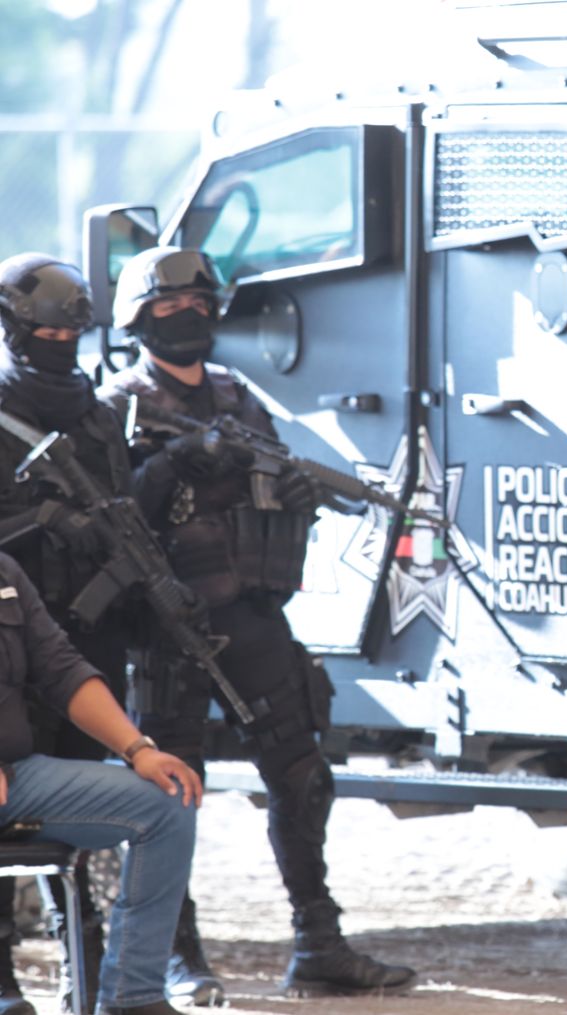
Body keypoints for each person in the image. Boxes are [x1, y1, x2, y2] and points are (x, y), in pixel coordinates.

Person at [98, 247, 414, 1003]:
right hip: (167, 625)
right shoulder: (117, 405)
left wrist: (295, 489)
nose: (187, 319)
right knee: (168, 792)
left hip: (253, 618)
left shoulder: (240, 399)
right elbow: (109, 515)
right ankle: (177, 957)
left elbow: (263, 485)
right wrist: (175, 465)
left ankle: (319, 943)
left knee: (303, 778)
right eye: (168, 309)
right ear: (139, 319)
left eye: (198, 305)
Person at [0, 254, 140, 1013]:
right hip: (12, 641)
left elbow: (124, 511)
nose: (59, 340)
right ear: (14, 330)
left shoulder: (98, 415)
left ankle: (83, 957)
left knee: (88, 814)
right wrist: (46, 521)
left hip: (87, 640)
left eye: (70, 331)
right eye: (44, 329)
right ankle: (2, 977)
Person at [0, 550, 202, 1015]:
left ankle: (134, 996)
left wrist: (140, 750)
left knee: (167, 801)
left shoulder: (5, 571)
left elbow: (63, 670)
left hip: (17, 780)